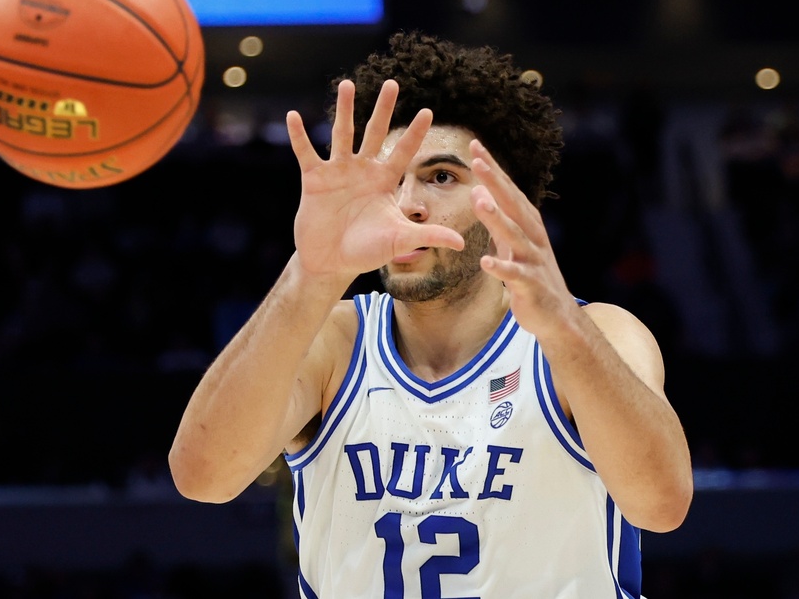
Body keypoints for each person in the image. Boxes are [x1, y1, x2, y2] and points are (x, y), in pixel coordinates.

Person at [169, 30, 693, 598]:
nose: (408, 204)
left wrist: (565, 328)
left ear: (505, 200)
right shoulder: (335, 341)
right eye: (391, 182)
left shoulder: (597, 335)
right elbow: (203, 477)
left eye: (441, 177)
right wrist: (310, 274)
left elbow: (661, 506)